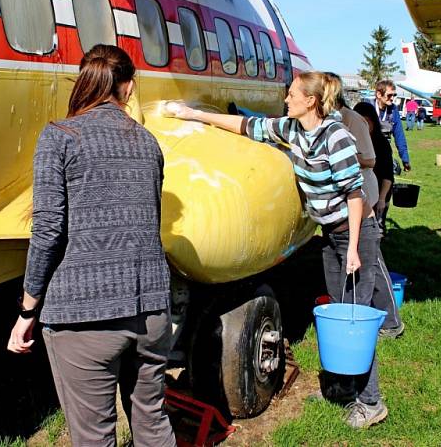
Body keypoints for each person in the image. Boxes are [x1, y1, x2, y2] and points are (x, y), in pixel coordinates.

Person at [169, 72, 388, 429]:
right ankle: (341, 388)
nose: (285, 99)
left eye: (292, 95)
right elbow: (246, 125)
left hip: (354, 233)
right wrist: (195, 115)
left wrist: (353, 250)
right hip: (332, 233)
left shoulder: (337, 137)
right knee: (338, 309)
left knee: (354, 319)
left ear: (311, 101)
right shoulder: (293, 130)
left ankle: (371, 401)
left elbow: (355, 194)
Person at [7, 45, 176, 447]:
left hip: (84, 315)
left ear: (85, 80)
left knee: (94, 437)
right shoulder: (149, 143)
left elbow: (48, 230)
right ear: (129, 89)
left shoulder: (59, 137)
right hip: (152, 312)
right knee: (153, 424)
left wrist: (27, 309)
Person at [353, 101, 404, 338]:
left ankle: (391, 320)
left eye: (366, 122)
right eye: (359, 121)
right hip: (359, 204)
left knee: (374, 259)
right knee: (368, 259)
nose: (363, 126)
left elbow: (386, 176)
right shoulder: (355, 137)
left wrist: (382, 201)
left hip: (374, 203)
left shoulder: (380, 144)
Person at [369, 80, 411, 235]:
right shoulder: (367, 108)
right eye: (389, 95)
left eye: (394, 95)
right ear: (378, 94)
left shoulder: (393, 111)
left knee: (386, 189)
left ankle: (380, 224)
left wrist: (405, 159)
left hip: (384, 154)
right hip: (366, 154)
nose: (392, 98)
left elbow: (399, 135)